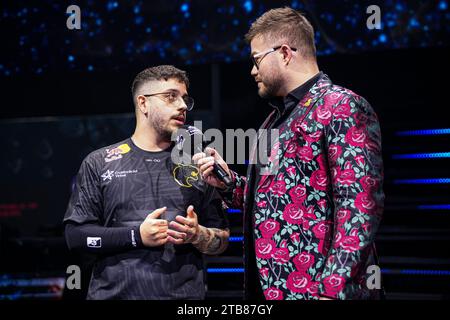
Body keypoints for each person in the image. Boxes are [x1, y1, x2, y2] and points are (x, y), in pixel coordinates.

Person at [194, 7, 384, 300]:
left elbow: (360, 206)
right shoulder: (272, 121)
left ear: (284, 53)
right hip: (271, 289)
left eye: (256, 59)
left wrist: (332, 290)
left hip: (320, 291)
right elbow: (275, 201)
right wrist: (229, 182)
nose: (253, 70)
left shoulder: (341, 105)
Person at [63, 65, 229, 300]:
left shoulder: (199, 165)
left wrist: (198, 235)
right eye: (171, 96)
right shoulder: (99, 162)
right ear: (143, 103)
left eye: (184, 98)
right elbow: (76, 237)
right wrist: (135, 236)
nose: (182, 105)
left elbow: (222, 239)